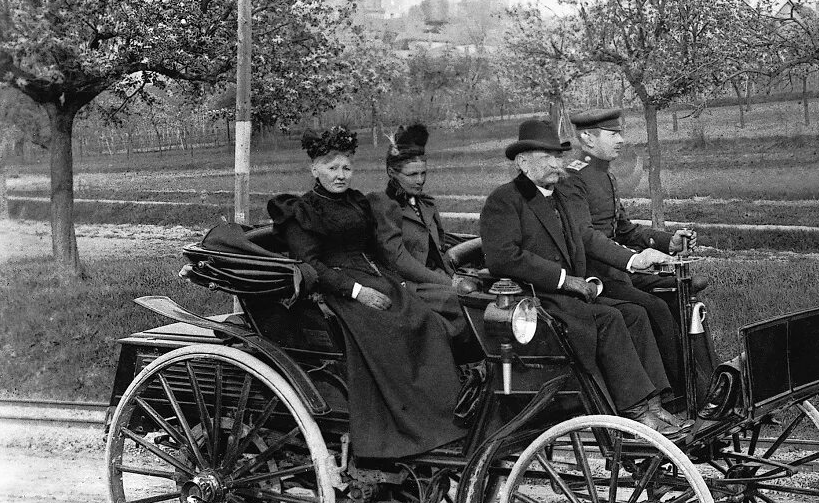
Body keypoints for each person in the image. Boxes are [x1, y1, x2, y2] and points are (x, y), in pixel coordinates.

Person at [479, 118, 685, 433]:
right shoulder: (505, 200)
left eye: (558, 156)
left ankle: (655, 405)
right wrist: (565, 279)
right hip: (537, 300)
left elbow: (584, 239)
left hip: (569, 295)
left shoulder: (558, 196)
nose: (555, 163)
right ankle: (634, 412)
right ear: (522, 163)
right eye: (545, 157)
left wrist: (613, 269)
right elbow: (504, 257)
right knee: (611, 320)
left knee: (635, 314)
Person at [270, 126, 462, 461]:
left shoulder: (358, 203)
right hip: (336, 289)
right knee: (394, 330)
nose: (340, 175)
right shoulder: (300, 211)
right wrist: (358, 293)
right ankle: (397, 431)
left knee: (425, 320)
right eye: (331, 168)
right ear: (314, 168)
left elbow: (377, 252)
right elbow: (312, 265)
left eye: (346, 168)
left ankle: (437, 419)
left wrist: (396, 283)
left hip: (373, 279)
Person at [556, 107, 688, 392]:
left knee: (680, 292)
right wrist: (633, 259)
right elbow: (586, 237)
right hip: (595, 276)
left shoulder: (604, 176)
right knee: (654, 308)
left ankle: (707, 383)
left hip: (616, 271)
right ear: (588, 138)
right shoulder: (572, 179)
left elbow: (624, 230)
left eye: (620, 133)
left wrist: (668, 242)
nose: (621, 140)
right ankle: (675, 394)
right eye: (613, 133)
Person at [366, 123, 477, 338]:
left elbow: (439, 249)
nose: (420, 180)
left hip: (435, 280)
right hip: (407, 286)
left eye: (423, 173)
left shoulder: (426, 204)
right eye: (412, 174)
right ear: (391, 172)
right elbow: (399, 261)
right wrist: (450, 283)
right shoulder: (383, 205)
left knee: (481, 295)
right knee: (468, 306)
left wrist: (457, 276)